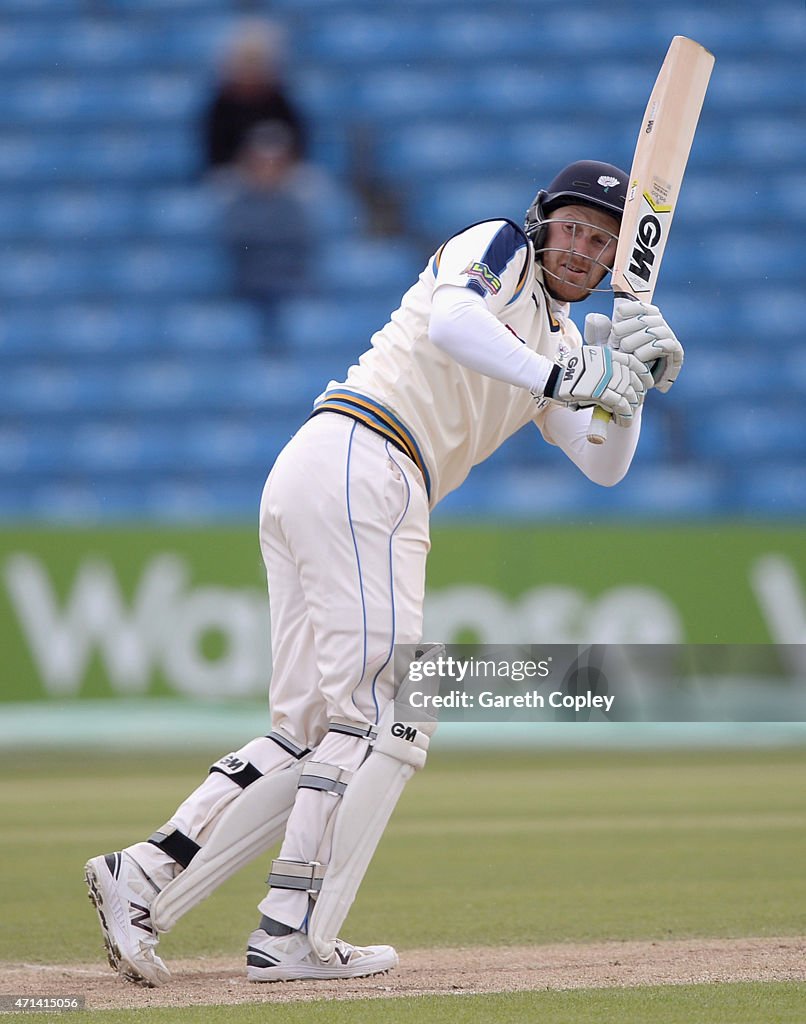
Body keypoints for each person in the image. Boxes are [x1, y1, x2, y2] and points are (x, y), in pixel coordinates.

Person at [84, 159, 684, 987]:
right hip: (369, 457)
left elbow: (601, 465)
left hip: (329, 470)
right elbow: (451, 326)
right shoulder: (498, 245)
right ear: (544, 222)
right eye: (574, 228)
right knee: (386, 705)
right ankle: (290, 935)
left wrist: (630, 385)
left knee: (307, 731)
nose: (582, 249)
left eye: (602, 241)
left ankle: (142, 876)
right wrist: (570, 375)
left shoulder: (561, 338)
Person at [218, 120, 313, 331]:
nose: (267, 170)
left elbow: (300, 245)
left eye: (274, 163)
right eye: (261, 163)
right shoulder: (236, 205)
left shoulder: (295, 205)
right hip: (247, 288)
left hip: (290, 288)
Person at [202, 19, 306, 176]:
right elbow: (215, 156)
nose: (251, 71)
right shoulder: (221, 105)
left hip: (282, 176)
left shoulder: (280, 100)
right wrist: (250, 166)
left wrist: (275, 167)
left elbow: (299, 147)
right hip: (237, 176)